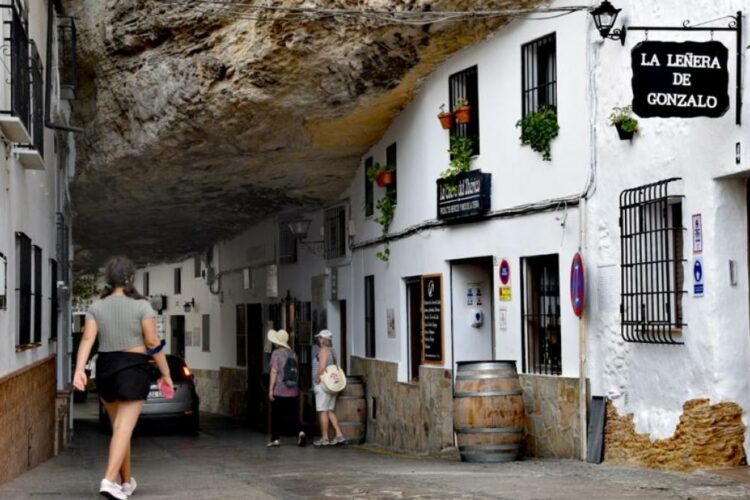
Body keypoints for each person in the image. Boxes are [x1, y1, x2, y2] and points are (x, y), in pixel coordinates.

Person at [72, 257, 172, 500]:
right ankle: (108, 480)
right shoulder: (142, 306)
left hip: (105, 368)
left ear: (108, 279)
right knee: (123, 428)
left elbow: (87, 340)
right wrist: (166, 373)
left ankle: (126, 482)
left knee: (120, 430)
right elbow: (151, 342)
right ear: (131, 279)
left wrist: (79, 369)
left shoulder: (97, 307)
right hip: (133, 369)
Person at [267, 329, 306, 447]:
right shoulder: (293, 353)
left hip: (279, 389)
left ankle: (275, 439)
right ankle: (300, 432)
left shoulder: (276, 353)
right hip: (292, 389)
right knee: (293, 414)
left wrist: (270, 389)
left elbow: (274, 372)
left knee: (276, 415)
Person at [312, 330, 346, 447]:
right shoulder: (333, 351)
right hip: (332, 385)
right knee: (330, 411)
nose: (318, 340)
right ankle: (339, 435)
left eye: (319, 338)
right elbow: (336, 366)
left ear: (322, 339)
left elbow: (321, 367)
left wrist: (317, 379)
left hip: (323, 385)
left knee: (323, 411)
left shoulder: (323, 351)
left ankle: (325, 437)